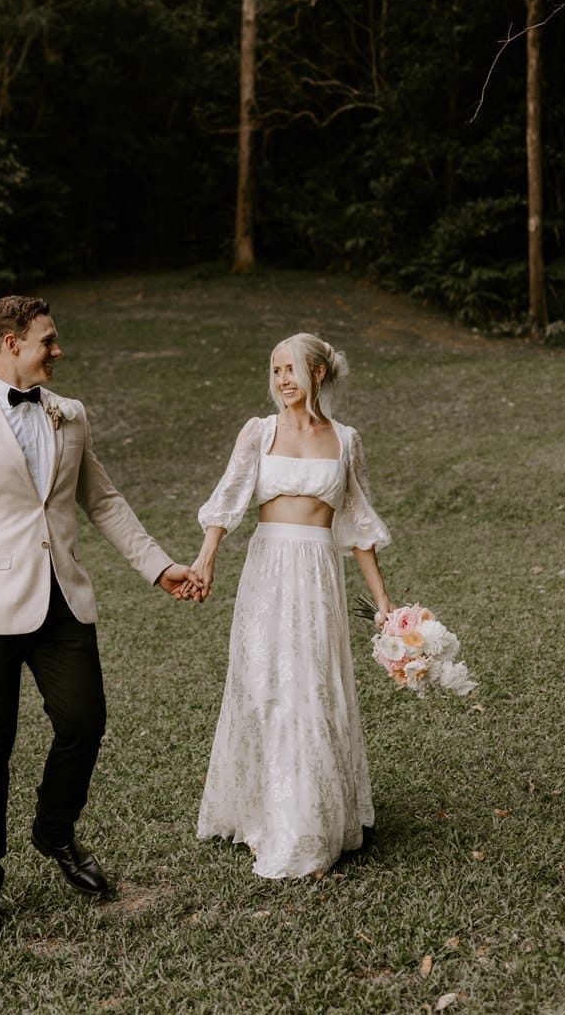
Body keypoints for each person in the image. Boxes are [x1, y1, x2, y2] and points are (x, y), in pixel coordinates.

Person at [0, 294, 200, 941]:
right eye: (48, 340)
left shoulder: (71, 414)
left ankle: (54, 830)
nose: (58, 350)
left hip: (64, 599)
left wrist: (159, 567)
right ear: (11, 343)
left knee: (84, 721)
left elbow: (104, 500)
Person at [186, 333, 393, 879]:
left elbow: (359, 526)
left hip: (318, 574)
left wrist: (383, 602)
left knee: (312, 689)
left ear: (318, 373)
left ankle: (310, 827)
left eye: (291, 369)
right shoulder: (259, 432)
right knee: (266, 686)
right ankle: (265, 818)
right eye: (275, 370)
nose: (282, 380)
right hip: (267, 572)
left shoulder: (346, 441)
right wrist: (206, 560)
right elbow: (227, 500)